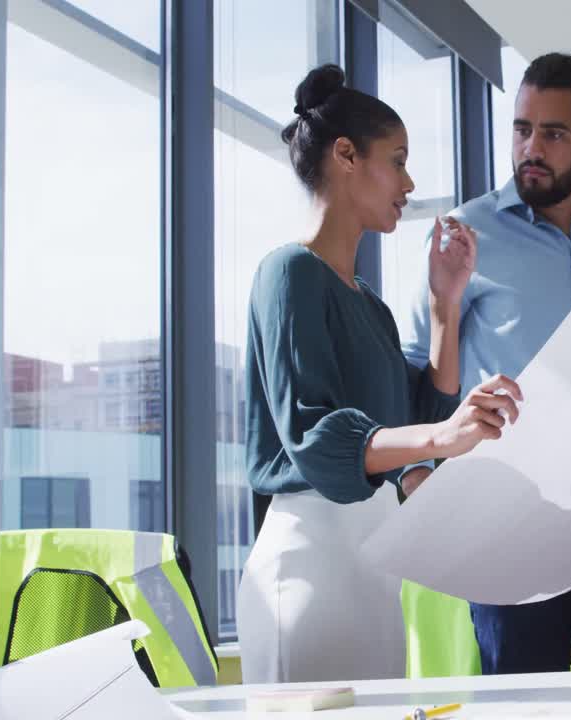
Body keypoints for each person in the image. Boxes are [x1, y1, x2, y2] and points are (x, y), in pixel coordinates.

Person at [398, 52, 571, 674]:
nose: (531, 147)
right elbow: (417, 364)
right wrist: (415, 472)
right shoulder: (463, 233)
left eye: (553, 133)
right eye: (522, 129)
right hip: (510, 538)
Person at [237, 64, 523, 683]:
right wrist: (441, 435)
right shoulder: (287, 273)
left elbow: (418, 422)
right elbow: (316, 434)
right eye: (397, 161)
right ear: (346, 155)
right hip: (310, 567)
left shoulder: (370, 305)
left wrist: (445, 303)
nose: (409, 182)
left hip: (375, 572)